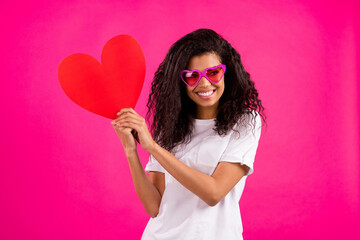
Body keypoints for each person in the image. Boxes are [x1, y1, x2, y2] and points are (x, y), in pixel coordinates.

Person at [111, 28, 266, 240]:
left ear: (226, 72)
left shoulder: (245, 121)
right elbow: (154, 207)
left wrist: (152, 147)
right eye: (192, 76)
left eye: (213, 73)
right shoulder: (170, 125)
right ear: (180, 83)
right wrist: (131, 151)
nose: (204, 83)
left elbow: (214, 193)